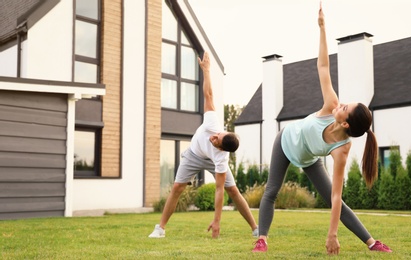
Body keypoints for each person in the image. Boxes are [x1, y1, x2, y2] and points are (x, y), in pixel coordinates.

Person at [251, 5, 392, 254]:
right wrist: (323, 28)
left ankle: (372, 243)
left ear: (346, 123)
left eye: (346, 106)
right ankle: (261, 239)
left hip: (308, 157)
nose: (341, 103)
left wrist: (332, 233)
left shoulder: (341, 149)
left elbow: (336, 196)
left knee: (332, 199)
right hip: (285, 142)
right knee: (271, 190)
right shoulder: (331, 105)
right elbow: (323, 67)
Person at [149, 52, 258, 239]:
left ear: (222, 149)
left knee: (232, 190)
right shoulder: (212, 124)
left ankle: (256, 229)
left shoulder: (221, 159)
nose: (213, 137)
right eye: (218, 134)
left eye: (217, 141)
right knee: (177, 188)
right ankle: (160, 229)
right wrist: (206, 71)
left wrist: (217, 220)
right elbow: (208, 94)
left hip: (210, 160)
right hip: (193, 154)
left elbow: (218, 189)